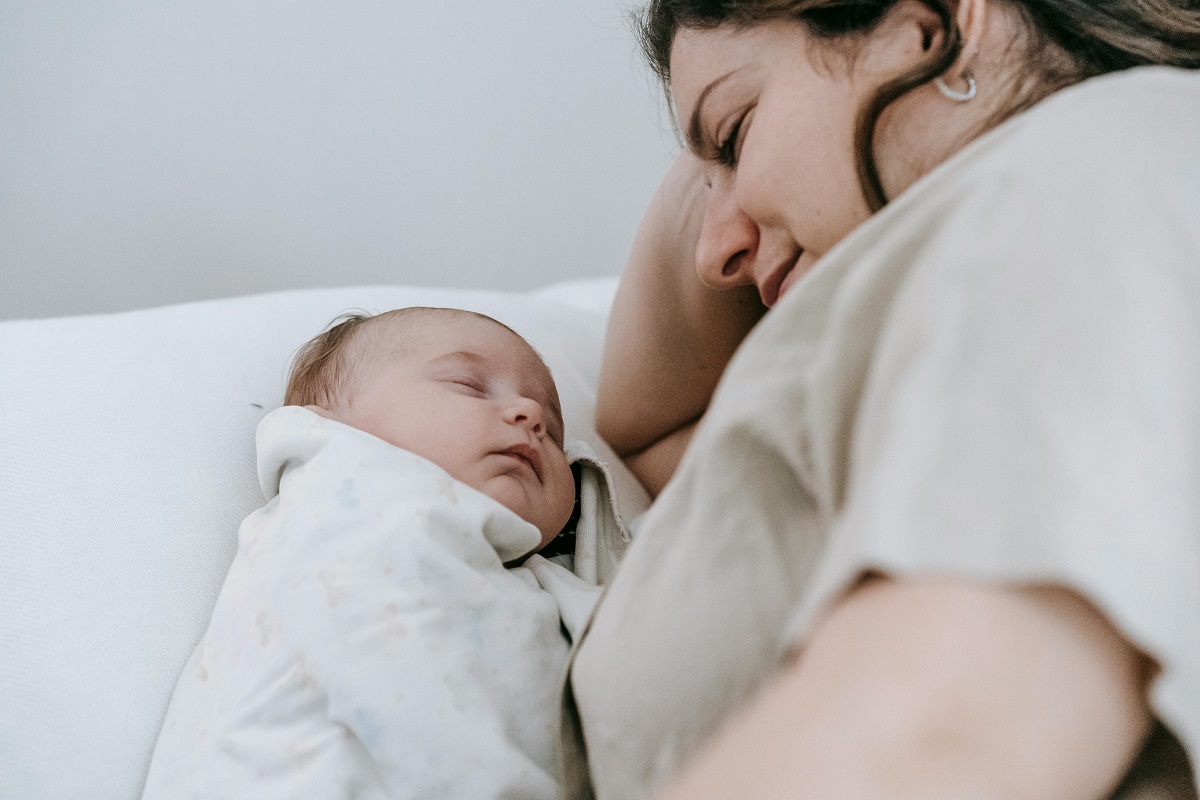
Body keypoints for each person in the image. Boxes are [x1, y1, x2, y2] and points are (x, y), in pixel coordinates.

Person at [571, 0, 1200, 797]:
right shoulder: (929, 298)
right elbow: (642, 425)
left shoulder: (1095, 169)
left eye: (734, 137)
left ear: (923, 27)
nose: (711, 249)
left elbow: (953, 728)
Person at [143, 307, 615, 799]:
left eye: (555, 433)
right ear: (331, 424)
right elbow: (401, 677)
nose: (531, 416)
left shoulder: (538, 579)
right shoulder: (351, 501)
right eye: (468, 385)